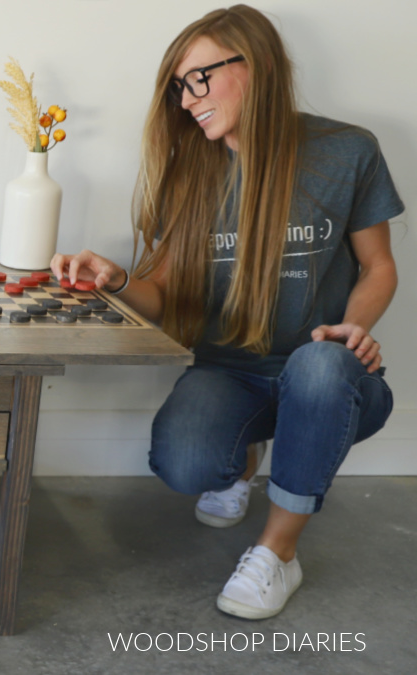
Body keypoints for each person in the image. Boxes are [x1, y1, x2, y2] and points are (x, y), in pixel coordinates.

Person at [51, 4, 403, 619]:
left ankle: (278, 554)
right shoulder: (190, 167)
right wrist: (117, 279)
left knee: (317, 368)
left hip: (327, 372)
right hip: (229, 368)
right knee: (184, 465)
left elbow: (378, 267)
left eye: (200, 78)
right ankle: (242, 459)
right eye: (180, 88)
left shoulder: (347, 151)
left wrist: (355, 328)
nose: (188, 100)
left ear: (256, 64)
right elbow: (163, 298)